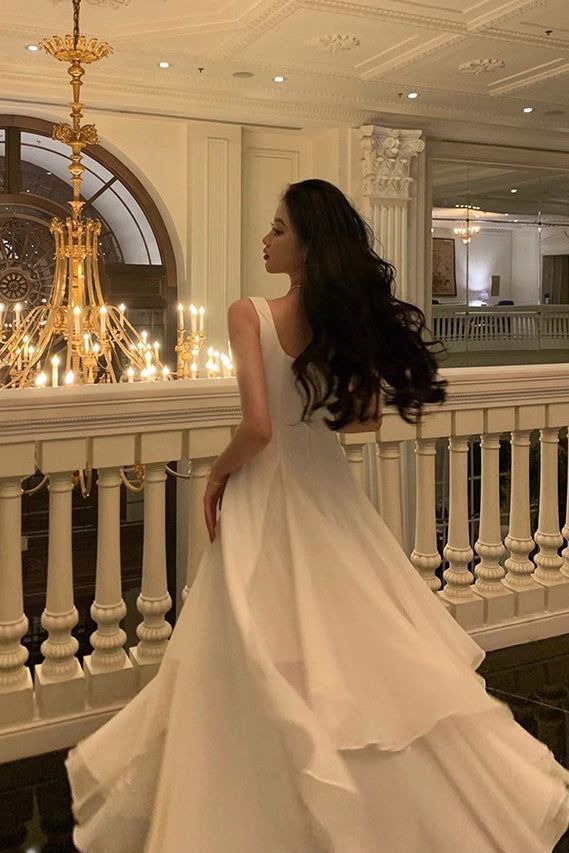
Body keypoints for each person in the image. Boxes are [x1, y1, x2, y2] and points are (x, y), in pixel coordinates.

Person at [66, 179, 569, 853]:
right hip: (330, 493)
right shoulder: (342, 325)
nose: (265, 240)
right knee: (349, 640)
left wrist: (216, 474)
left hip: (266, 492)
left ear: (305, 246)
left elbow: (257, 427)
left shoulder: (248, 313)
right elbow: (362, 422)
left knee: (256, 635)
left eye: (278, 229)